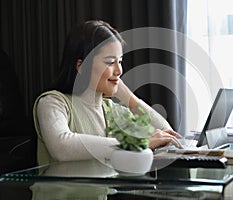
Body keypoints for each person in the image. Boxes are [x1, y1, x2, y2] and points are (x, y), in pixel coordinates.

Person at [33, 20, 182, 165]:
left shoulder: (112, 111)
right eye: (110, 62)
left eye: (120, 61)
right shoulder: (52, 102)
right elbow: (61, 147)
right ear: (81, 65)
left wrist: (125, 94)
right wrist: (136, 144)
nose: (119, 71)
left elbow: (166, 133)